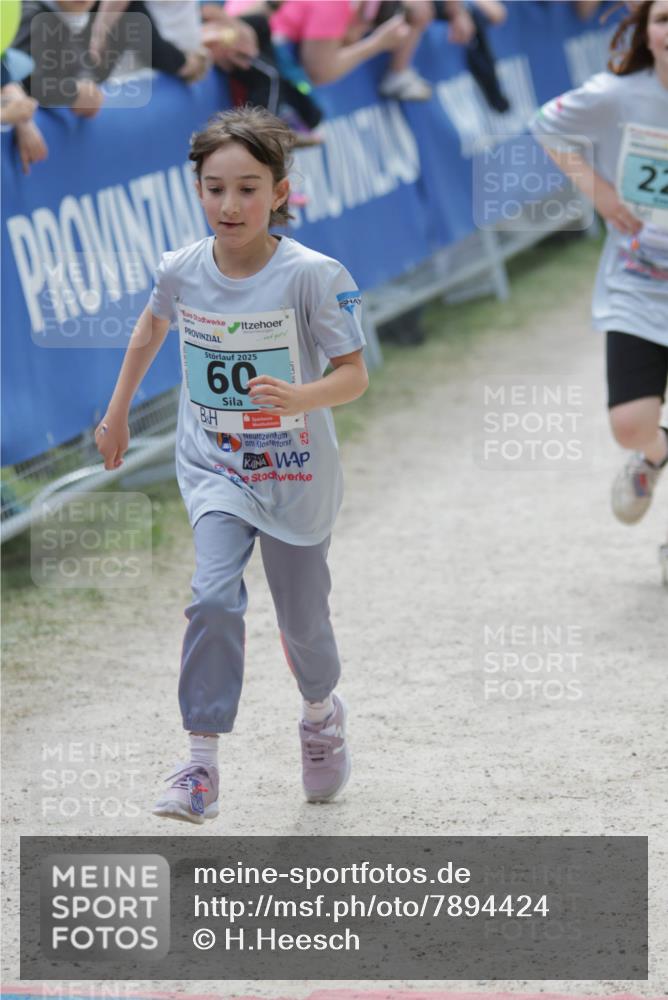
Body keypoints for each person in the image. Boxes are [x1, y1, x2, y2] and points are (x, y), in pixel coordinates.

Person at [96, 106, 369, 823]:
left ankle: (319, 712)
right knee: (213, 596)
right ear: (197, 189)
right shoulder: (181, 269)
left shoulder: (313, 274)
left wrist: (300, 395)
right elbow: (153, 324)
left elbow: (353, 375)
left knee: (303, 622)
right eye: (214, 188)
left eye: (248, 188)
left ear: (280, 191)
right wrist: (117, 411)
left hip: (297, 474)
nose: (229, 204)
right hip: (216, 466)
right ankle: (200, 764)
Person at [531, 0, 668, 525]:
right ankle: (654, 453)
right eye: (661, 20)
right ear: (645, 33)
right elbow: (545, 124)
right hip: (639, 283)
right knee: (631, 425)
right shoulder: (618, 94)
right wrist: (601, 193)